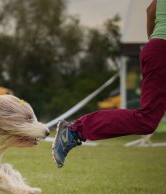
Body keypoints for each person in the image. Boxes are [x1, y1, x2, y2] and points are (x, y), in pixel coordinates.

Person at [52, 0, 166, 168]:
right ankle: (75, 130)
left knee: (147, 120)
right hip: (161, 51)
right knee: (147, 120)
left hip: (157, 48)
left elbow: (151, 10)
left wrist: (154, 43)